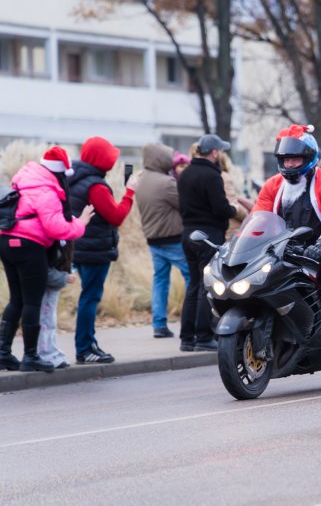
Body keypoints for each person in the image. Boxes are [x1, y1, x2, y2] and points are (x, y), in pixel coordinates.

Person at [0, 147, 91, 372]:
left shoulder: (25, 179)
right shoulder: (46, 190)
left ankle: (3, 353)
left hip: (6, 240)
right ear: (60, 172)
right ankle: (31, 356)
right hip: (29, 246)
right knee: (32, 302)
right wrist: (81, 223)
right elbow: (57, 228)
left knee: (17, 300)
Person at [252, 124, 321, 314]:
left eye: (295, 159)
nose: (290, 164)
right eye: (286, 160)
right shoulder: (272, 185)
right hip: (282, 248)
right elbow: (258, 218)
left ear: (308, 158)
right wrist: (248, 241)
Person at [69, 136, 136, 364]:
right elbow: (116, 216)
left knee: (87, 296)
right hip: (94, 250)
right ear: (101, 159)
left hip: (78, 246)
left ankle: (88, 345)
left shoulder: (75, 179)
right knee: (90, 296)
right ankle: (85, 348)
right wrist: (129, 193)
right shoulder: (96, 186)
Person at [178, 133, 238, 352]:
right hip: (208, 236)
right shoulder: (212, 176)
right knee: (207, 285)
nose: (221, 153)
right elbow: (221, 208)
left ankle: (187, 338)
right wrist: (233, 210)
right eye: (220, 150)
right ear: (214, 152)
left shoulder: (185, 174)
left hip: (187, 234)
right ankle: (203, 335)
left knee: (193, 285)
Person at [135, 142, 191, 339]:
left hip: (153, 239)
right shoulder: (165, 183)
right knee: (192, 279)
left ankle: (159, 325)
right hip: (173, 239)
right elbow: (186, 203)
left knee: (160, 281)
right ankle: (191, 323)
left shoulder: (141, 180)